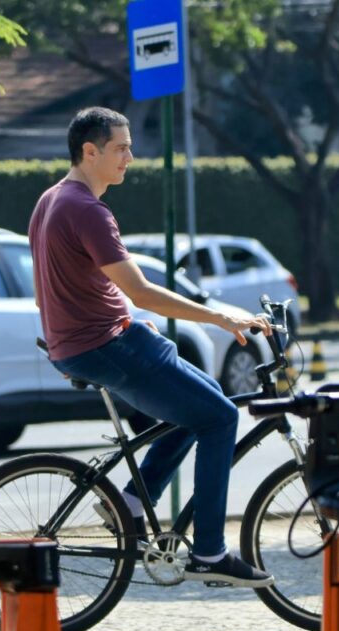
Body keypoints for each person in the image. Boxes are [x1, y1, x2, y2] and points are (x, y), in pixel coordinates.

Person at [29, 106, 275, 586]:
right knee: (222, 418)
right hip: (110, 344)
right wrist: (220, 315)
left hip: (84, 344)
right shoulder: (87, 210)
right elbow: (140, 292)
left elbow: (48, 287)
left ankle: (130, 504)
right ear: (89, 151)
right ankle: (209, 551)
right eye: (120, 148)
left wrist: (61, 344)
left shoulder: (50, 200)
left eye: (130, 147)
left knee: (203, 405)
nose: (130, 158)